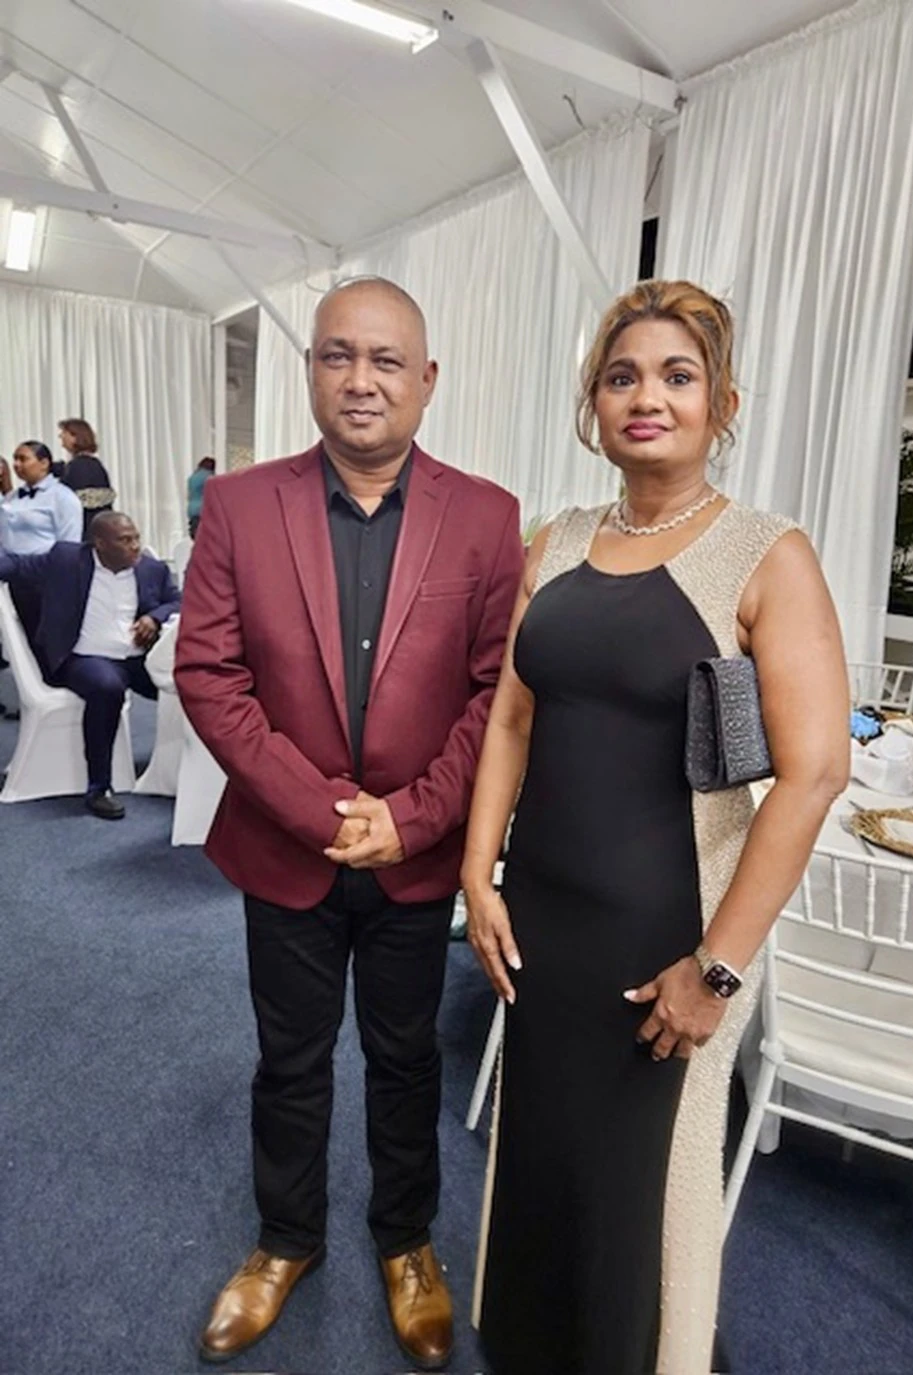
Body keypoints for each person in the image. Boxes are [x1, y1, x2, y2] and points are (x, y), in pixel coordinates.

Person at [461, 279, 850, 1375]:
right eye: (622, 377)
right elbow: (511, 716)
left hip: (671, 936)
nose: (647, 398)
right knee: (541, 1150)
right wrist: (478, 874)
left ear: (721, 404)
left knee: (643, 1181)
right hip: (543, 919)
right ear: (593, 401)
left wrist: (715, 968)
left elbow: (815, 774)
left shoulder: (763, 553)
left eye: (678, 377)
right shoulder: (557, 540)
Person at [174, 276, 523, 1369]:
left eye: (384, 359)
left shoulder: (487, 515)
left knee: (405, 1058)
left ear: (427, 380)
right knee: (288, 1059)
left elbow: (497, 694)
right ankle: (284, 1240)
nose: (360, 379)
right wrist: (326, 811)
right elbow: (209, 673)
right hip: (289, 846)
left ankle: (406, 1241)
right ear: (311, 371)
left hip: (417, 856)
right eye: (338, 355)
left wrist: (411, 820)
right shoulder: (240, 506)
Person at [0, 512, 180, 819]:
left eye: (136, 537)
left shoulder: (152, 569)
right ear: (100, 544)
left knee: (187, 682)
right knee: (107, 687)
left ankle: (184, 771)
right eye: (125, 540)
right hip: (83, 658)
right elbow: (16, 566)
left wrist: (154, 617)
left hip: (136, 659)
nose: (135, 546)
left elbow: (178, 601)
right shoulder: (66, 560)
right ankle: (99, 788)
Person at [0, 441, 84, 647]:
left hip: (43, 574)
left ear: (44, 463)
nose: (17, 465)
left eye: (23, 459)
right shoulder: (12, 498)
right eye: (15, 459)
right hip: (13, 574)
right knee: (21, 637)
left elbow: (69, 543)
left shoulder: (62, 497)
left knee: (45, 637)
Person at [58, 418, 115, 534]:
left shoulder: (78, 466)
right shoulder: (95, 464)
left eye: (64, 433)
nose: (60, 436)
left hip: (84, 529)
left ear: (75, 436)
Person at [186, 456, 216, 539]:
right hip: (203, 509)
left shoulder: (192, 477)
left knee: (195, 533)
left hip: (192, 509)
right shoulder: (210, 478)